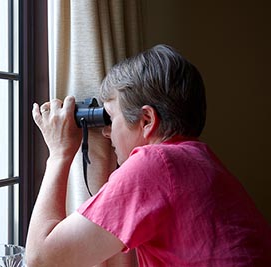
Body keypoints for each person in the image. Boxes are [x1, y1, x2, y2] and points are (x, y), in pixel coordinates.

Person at [25, 44, 271, 267]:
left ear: (146, 120)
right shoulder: (198, 159)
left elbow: (42, 259)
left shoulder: (156, 164)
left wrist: (59, 153)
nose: (107, 132)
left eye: (111, 117)